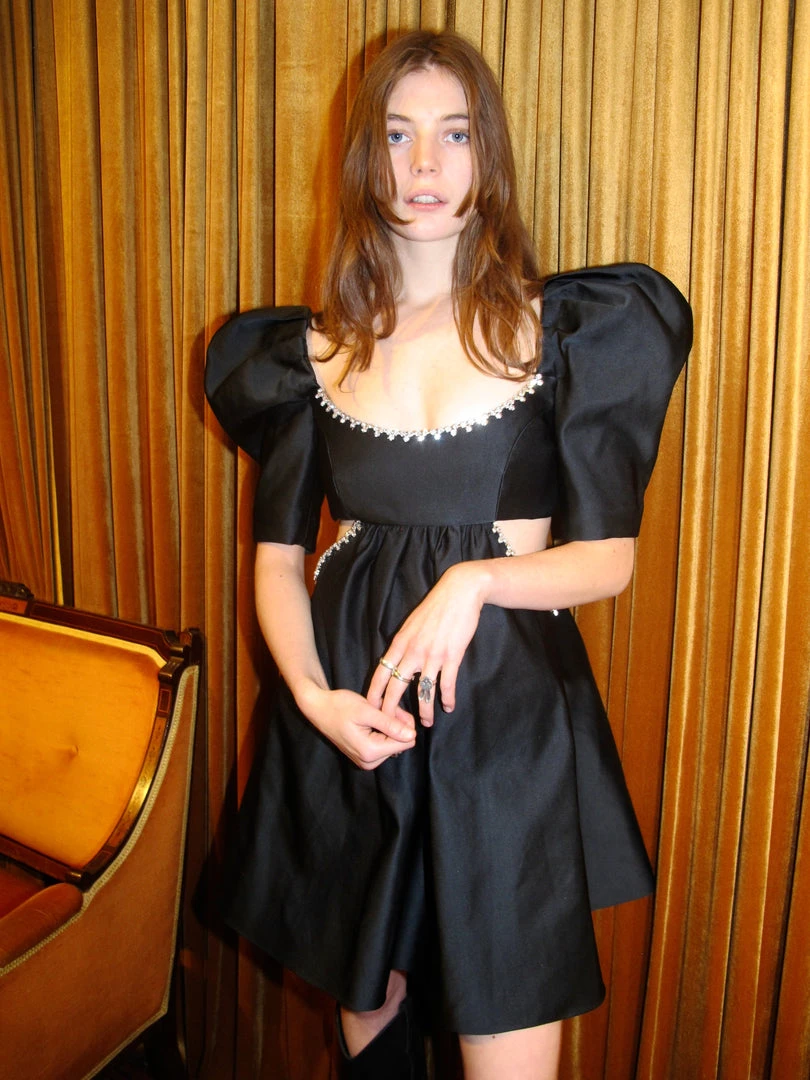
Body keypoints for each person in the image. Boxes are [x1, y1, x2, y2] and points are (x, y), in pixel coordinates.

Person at [205, 29, 692, 1080]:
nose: (424, 163)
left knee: (506, 1022)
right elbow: (279, 561)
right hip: (353, 722)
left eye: (455, 134)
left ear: (490, 152)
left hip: (502, 728)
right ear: (364, 156)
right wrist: (315, 701)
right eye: (397, 134)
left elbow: (608, 559)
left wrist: (475, 581)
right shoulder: (310, 356)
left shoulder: (566, 333)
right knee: (370, 1014)